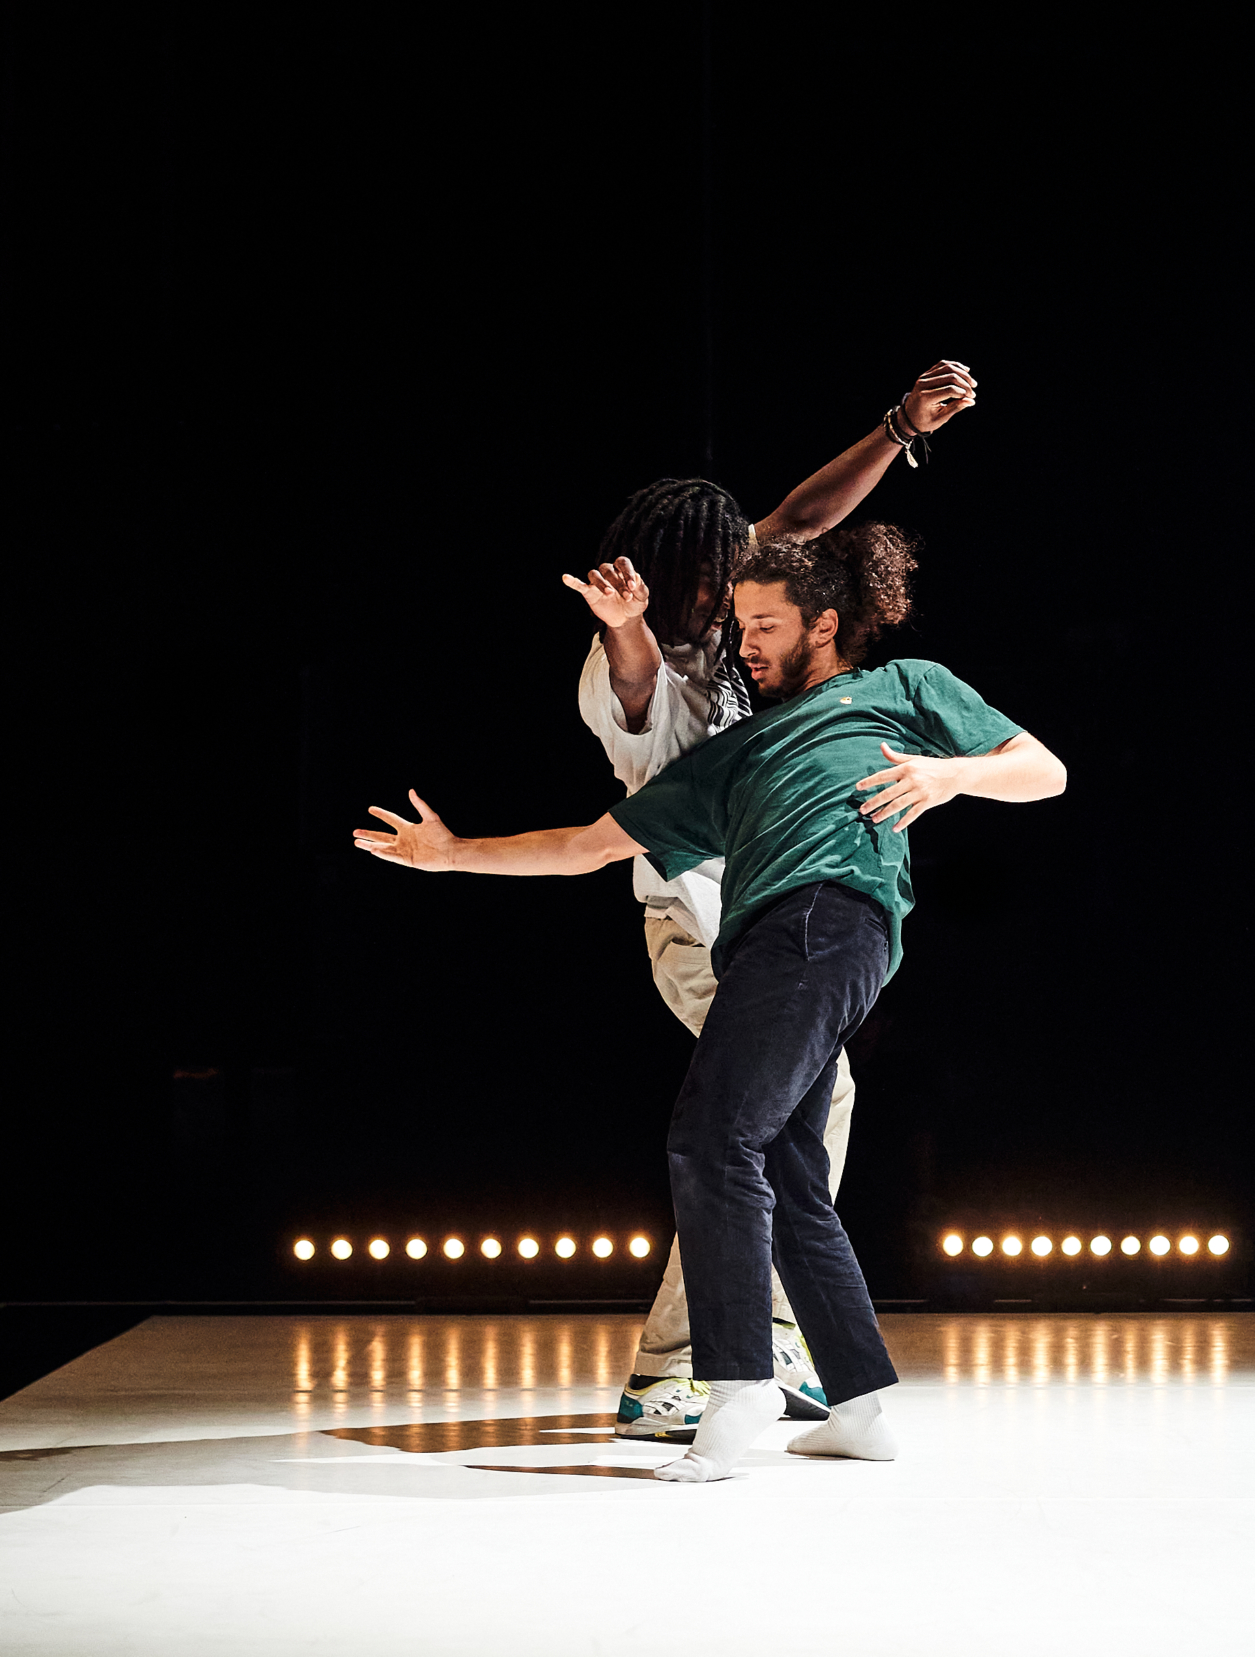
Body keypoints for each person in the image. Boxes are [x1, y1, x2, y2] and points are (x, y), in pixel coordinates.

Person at [355, 523, 1065, 1484]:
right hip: (775, 944)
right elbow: (588, 846)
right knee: (785, 1167)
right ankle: (859, 1406)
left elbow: (1043, 771)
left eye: (766, 624)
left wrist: (948, 775)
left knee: (710, 1139)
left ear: (824, 623)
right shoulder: (734, 755)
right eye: (741, 625)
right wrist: (452, 856)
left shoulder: (899, 689)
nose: (746, 642)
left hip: (821, 924)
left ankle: (735, 1385)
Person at [562, 361, 977, 1438]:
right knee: (768, 1117)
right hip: (694, 924)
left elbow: (800, 517)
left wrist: (897, 428)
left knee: (782, 1115)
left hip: (763, 919)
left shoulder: (737, 630)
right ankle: (695, 1362)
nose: (734, 589)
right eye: (716, 577)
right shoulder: (633, 662)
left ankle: (743, 1346)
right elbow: (636, 677)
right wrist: (625, 625)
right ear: (672, 580)